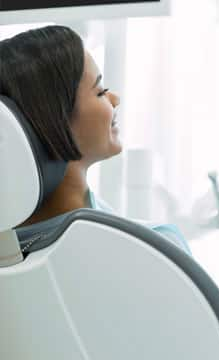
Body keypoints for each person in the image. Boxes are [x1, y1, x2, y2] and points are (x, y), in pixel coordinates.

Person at [0, 25, 190, 255]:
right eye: (100, 91)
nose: (115, 98)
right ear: (54, 121)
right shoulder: (155, 249)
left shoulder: (10, 258)